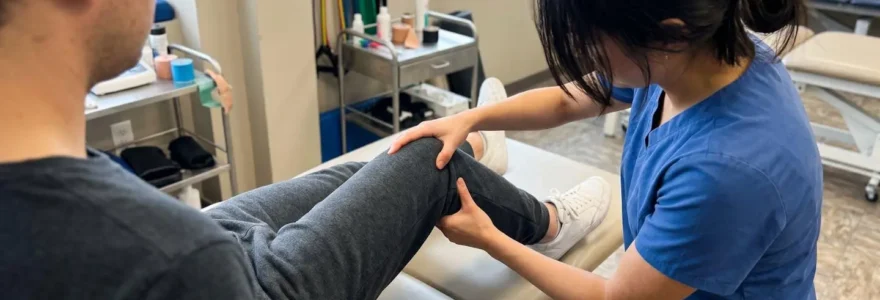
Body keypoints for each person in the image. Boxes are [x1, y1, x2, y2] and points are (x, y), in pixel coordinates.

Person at [0, 1, 611, 299]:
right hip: (246, 283)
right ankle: (548, 223)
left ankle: (477, 151)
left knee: (359, 172)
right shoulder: (173, 263)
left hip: (205, 238)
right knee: (423, 155)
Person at [392, 0, 823, 299]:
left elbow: (616, 297)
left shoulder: (728, 172)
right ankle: (548, 220)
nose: (582, 54)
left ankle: (549, 225)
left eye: (589, 42)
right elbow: (568, 99)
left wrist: (488, 237)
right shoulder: (700, 53)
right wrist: (471, 119)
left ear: (666, 37)